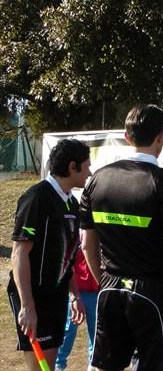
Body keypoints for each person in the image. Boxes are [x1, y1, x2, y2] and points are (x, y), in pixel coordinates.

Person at [80, 104, 163, 371]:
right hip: (153, 292)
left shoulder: (97, 178)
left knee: (105, 366)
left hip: (110, 286)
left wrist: (106, 282)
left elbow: (87, 244)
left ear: (126, 136)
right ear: (161, 137)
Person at [7, 139, 90, 371]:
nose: (89, 172)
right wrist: (27, 306)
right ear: (72, 167)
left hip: (57, 295)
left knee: (49, 365)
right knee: (40, 366)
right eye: (87, 166)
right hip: (34, 296)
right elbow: (19, 253)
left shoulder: (72, 204)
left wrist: (75, 295)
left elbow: (68, 257)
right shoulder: (37, 198)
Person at [55, 248, 99, 371]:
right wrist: (73, 294)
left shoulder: (100, 239)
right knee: (69, 330)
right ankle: (59, 364)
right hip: (75, 291)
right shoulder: (74, 240)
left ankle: (93, 363)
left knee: (96, 331)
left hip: (96, 292)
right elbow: (67, 264)